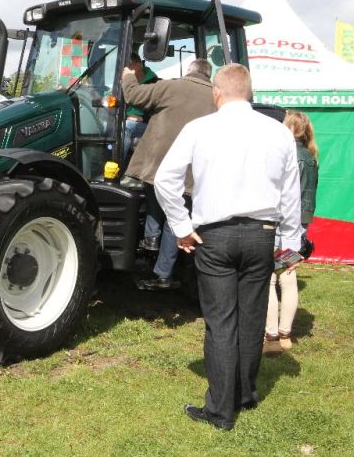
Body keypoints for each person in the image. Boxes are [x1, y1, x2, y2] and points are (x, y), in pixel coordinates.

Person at [154, 63, 302, 430]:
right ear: (249, 92)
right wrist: (289, 246)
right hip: (261, 234)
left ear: (216, 92)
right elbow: (291, 196)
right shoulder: (278, 132)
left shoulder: (199, 128)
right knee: (251, 320)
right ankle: (244, 394)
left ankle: (221, 412)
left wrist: (182, 227)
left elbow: (164, 180)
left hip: (214, 236)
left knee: (221, 323)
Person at [121, 58, 215, 289]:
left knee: (154, 189)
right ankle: (162, 271)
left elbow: (133, 95)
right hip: (192, 171)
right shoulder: (216, 97)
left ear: (189, 71)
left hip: (158, 165)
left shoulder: (172, 86)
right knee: (177, 217)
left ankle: (152, 240)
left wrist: (128, 75)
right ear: (209, 75)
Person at [264, 110, 319, 354]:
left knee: (268, 278)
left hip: (281, 220)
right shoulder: (311, 155)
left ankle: (271, 335)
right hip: (301, 221)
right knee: (288, 276)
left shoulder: (286, 154)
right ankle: (286, 334)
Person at [122, 53, 158, 162]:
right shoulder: (123, 83)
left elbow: (159, 110)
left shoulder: (154, 84)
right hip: (125, 119)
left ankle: (116, 168)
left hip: (147, 124)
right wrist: (126, 115)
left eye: (128, 66)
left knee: (126, 127)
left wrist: (143, 118)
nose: (125, 71)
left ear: (138, 65)